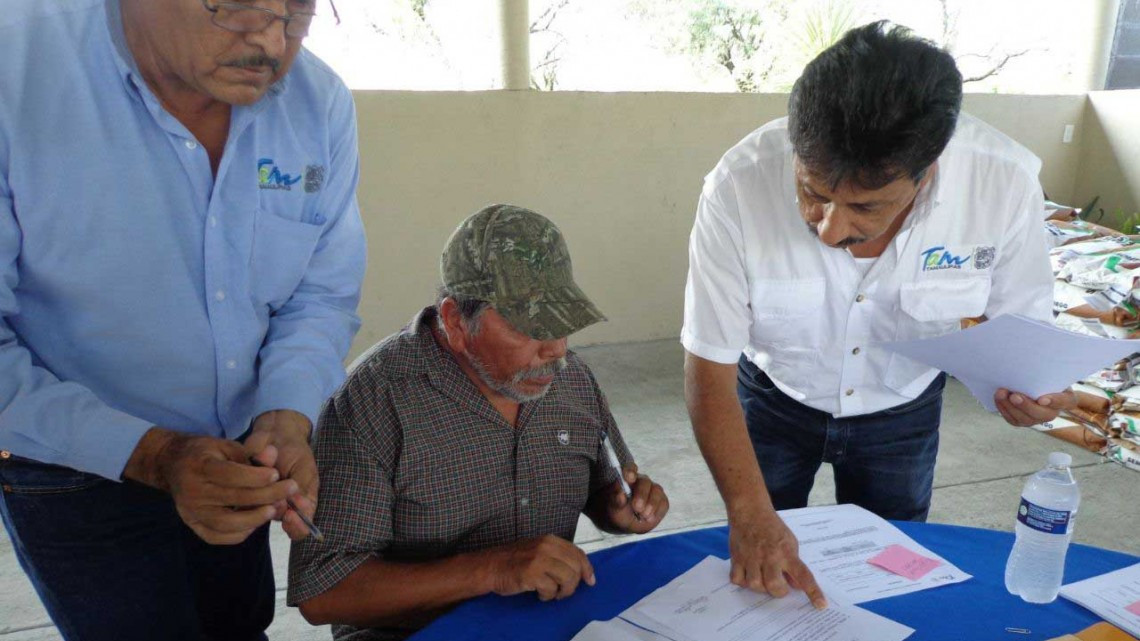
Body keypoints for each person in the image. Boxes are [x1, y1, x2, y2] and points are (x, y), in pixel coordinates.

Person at [0, 0, 365, 638]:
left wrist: (286, 416)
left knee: (238, 624)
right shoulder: (17, 72)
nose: (272, 43)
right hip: (70, 462)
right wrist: (157, 455)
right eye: (239, 8)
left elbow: (319, 294)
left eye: (298, 14)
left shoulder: (317, 103)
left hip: (239, 453)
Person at [681, 21, 1076, 607]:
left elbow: (1021, 335)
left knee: (893, 573)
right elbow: (708, 364)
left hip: (902, 409)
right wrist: (748, 513)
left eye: (865, 207)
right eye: (812, 193)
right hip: (774, 398)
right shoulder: (738, 184)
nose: (830, 228)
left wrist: (1029, 395)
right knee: (761, 572)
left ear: (928, 170)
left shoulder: (1002, 182)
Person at [288, 204, 669, 641]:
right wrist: (491, 570)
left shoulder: (572, 381)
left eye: (562, 322)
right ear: (455, 321)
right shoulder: (374, 401)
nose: (555, 349)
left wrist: (620, 510)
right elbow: (322, 591)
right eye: (529, 328)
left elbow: (604, 491)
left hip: (546, 622)